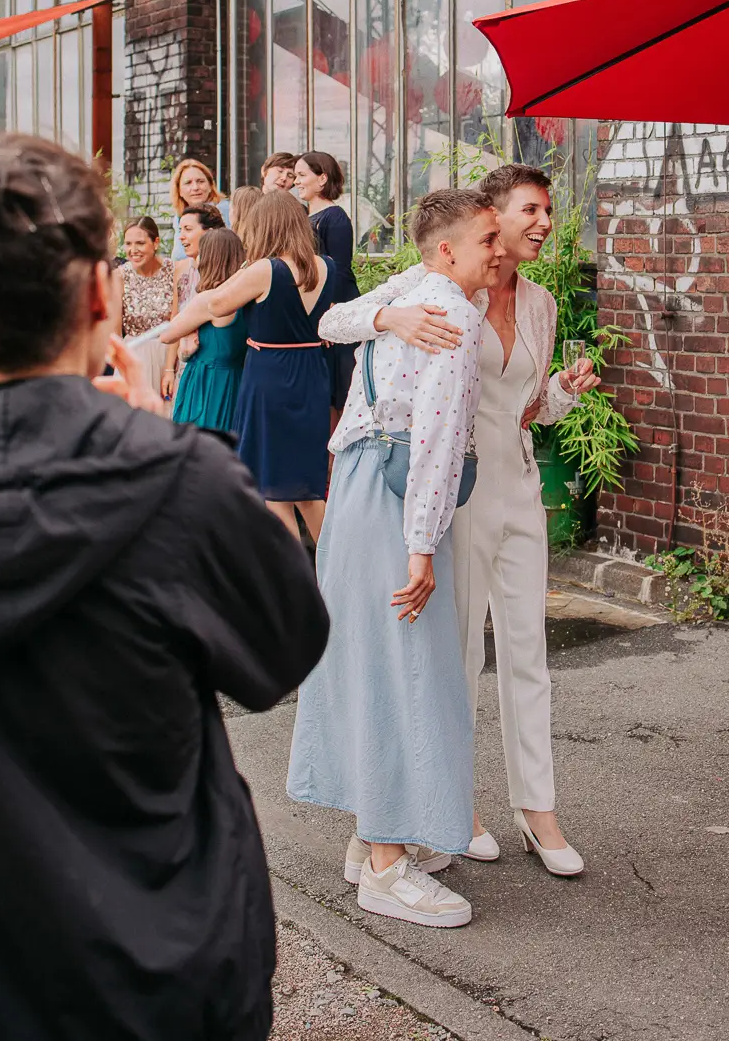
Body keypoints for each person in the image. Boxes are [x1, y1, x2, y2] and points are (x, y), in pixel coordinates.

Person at [0, 135, 329, 1041]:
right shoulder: (182, 484)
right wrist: (168, 436)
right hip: (164, 975)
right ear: (101, 294)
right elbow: (286, 645)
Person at [319, 164, 600, 877]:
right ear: (491, 219)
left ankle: (538, 811)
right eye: (529, 210)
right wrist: (391, 316)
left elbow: (526, 406)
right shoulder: (431, 287)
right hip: (454, 498)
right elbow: (334, 319)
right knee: (456, 660)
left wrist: (563, 392)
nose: (542, 223)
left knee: (528, 652)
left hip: (520, 488)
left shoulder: (539, 304)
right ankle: (456, 809)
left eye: (548, 210)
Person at [288, 189, 504, 930]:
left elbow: (332, 321)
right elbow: (441, 445)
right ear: (447, 250)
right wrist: (422, 549)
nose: (499, 251)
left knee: (371, 660)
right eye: (487, 240)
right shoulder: (455, 316)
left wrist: (386, 315)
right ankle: (385, 866)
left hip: (353, 485)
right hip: (395, 500)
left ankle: (369, 838)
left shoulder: (416, 288)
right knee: (406, 670)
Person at [162, 192, 334, 543]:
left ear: (264, 226)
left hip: (271, 376)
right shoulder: (324, 265)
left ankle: (289, 580)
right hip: (311, 373)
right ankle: (337, 576)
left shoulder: (265, 269)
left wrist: (177, 328)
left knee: (271, 489)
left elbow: (218, 302)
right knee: (305, 488)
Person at [294, 151, 360, 412]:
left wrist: (327, 311)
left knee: (339, 389)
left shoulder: (335, 217)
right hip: (316, 306)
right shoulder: (305, 217)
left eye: (301, 175)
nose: (296, 181)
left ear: (322, 179)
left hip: (335, 304)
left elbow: (341, 269)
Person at [172, 229, 249, 434]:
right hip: (235, 379)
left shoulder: (209, 299)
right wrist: (184, 352)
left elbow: (168, 334)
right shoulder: (246, 298)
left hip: (207, 382)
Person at [162, 201, 225, 404]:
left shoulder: (227, 273)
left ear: (210, 232)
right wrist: (169, 369)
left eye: (188, 229)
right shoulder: (180, 270)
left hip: (216, 363)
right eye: (180, 230)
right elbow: (175, 320)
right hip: (185, 361)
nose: (181, 237)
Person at [120, 216, 173, 398]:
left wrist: (170, 369)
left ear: (156, 242)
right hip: (134, 357)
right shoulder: (120, 276)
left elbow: (178, 321)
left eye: (140, 243)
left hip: (167, 356)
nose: (133, 250)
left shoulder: (173, 271)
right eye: (128, 244)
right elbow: (114, 335)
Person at [169, 157, 230, 261]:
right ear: (179, 190)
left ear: (210, 186)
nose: (195, 187)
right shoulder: (179, 217)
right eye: (188, 183)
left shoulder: (226, 209)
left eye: (200, 181)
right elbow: (178, 257)